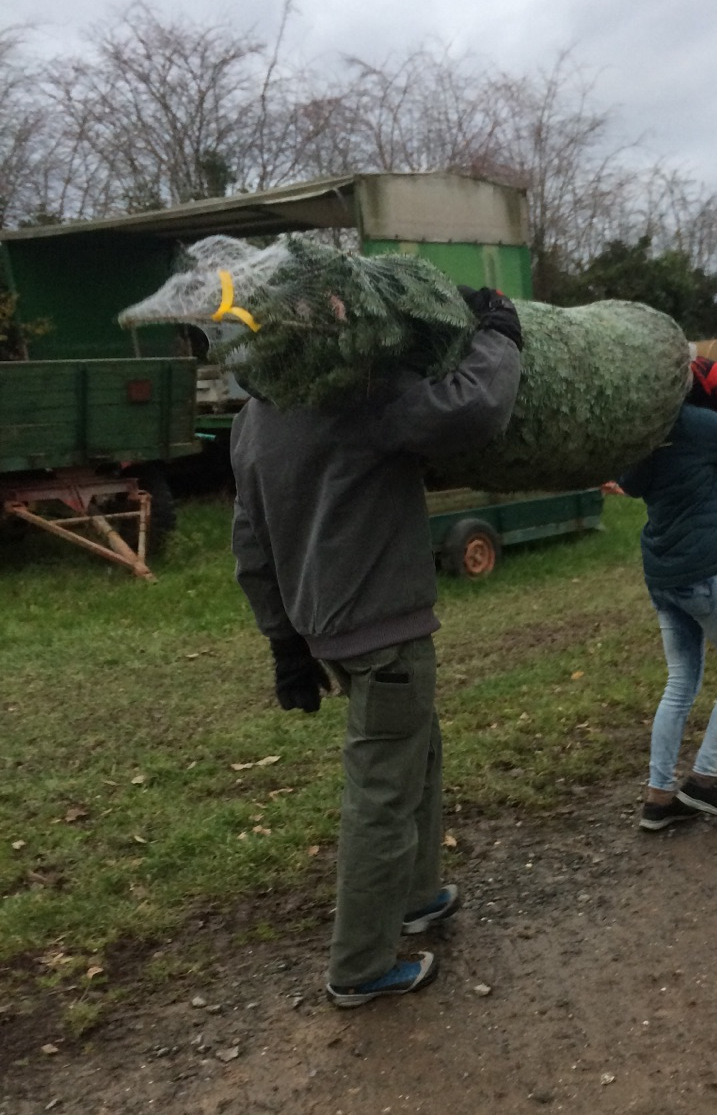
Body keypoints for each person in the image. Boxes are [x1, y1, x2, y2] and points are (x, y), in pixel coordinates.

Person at [230, 287, 523, 1007]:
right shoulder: (359, 396)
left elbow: (250, 544)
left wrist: (285, 646)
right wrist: (499, 336)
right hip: (385, 628)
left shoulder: (252, 419)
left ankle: (417, 895)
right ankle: (360, 964)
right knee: (384, 791)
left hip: (327, 629)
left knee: (416, 754)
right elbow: (471, 406)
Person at [617, 355, 717, 832]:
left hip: (664, 573)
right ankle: (703, 781)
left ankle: (659, 798)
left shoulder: (649, 428)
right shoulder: (697, 424)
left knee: (681, 682)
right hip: (704, 574)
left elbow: (630, 482)